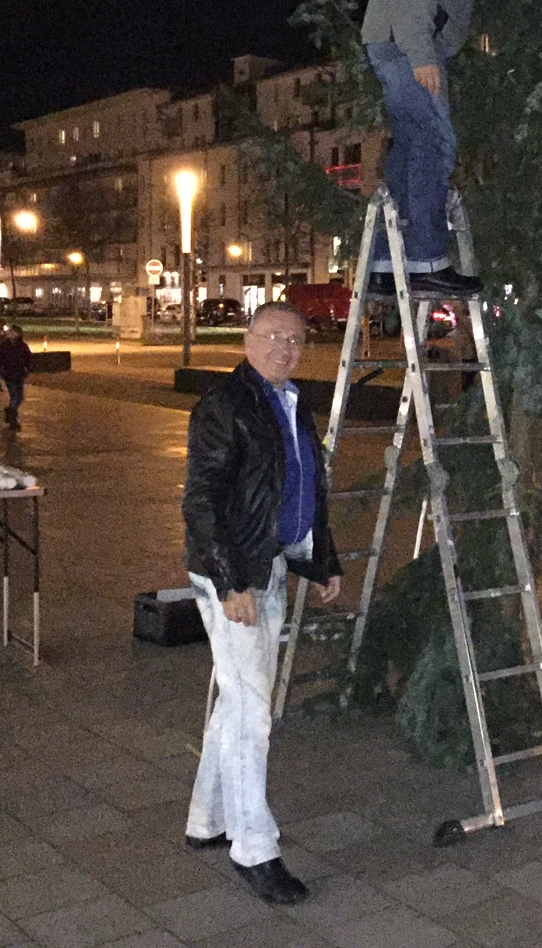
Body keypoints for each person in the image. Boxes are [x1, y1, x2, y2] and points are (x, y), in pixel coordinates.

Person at [181, 302, 343, 904]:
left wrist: (321, 560)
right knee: (253, 713)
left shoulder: (292, 402)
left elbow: (302, 486)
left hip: (269, 565)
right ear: (247, 340)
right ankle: (254, 847)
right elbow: (201, 502)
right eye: (273, 336)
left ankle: (207, 818)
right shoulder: (224, 406)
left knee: (239, 698)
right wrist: (231, 584)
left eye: (295, 339)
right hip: (235, 577)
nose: (285, 348)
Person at [360, 0, 515, 298]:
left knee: (412, 147)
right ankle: (426, 261)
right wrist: (421, 51)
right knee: (434, 145)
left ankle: (385, 266)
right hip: (408, 44)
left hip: (403, 42)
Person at [0, 326, 33, 429]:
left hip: (19, 374)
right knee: (14, 396)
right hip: (8, 374)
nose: (9, 333)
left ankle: (10, 412)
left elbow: (29, 358)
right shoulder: (4, 346)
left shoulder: (23, 346)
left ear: (18, 333)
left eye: (12, 332)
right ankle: (12, 419)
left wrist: (28, 369)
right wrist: (1, 370)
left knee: (20, 397)